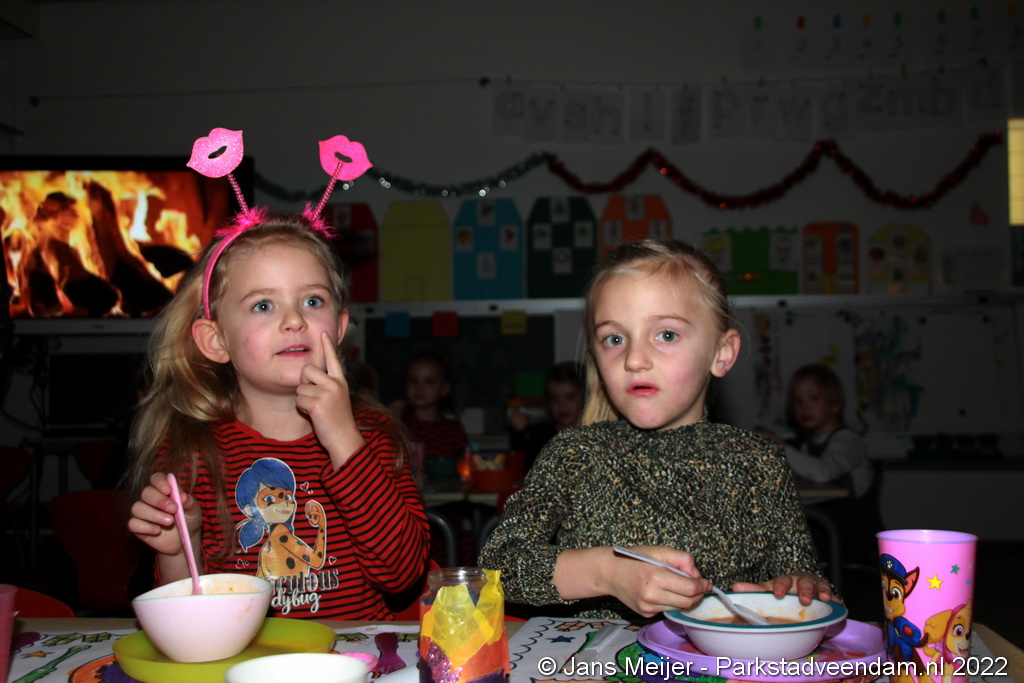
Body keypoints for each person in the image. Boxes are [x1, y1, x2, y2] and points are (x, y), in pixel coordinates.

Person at [479, 238, 832, 620]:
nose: (634, 359)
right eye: (615, 339)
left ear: (722, 352)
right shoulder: (574, 454)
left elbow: (809, 584)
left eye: (666, 335)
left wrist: (799, 590)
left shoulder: (759, 462)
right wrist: (607, 572)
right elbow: (498, 567)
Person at [125, 214, 429, 620]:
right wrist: (180, 550)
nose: (295, 320)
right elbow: (189, 620)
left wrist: (344, 440)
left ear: (340, 327)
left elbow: (402, 575)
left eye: (313, 301)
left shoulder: (373, 434)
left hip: (356, 653)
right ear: (216, 341)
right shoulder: (193, 450)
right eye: (263, 305)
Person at [773, 363, 877, 558]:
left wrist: (780, 448)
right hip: (824, 533)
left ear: (835, 404)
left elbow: (823, 472)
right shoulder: (808, 443)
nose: (804, 406)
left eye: (814, 398)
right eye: (797, 400)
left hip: (851, 536)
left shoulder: (847, 441)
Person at [389, 350, 469, 478]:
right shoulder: (400, 425)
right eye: (413, 380)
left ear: (444, 388)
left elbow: (466, 465)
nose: (419, 387)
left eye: (429, 381)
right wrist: (390, 421)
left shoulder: (452, 429)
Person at [508, 361, 585, 471]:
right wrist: (518, 433)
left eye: (570, 397)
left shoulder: (593, 435)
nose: (562, 405)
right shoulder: (540, 435)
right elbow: (522, 468)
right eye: (555, 398)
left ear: (585, 397)